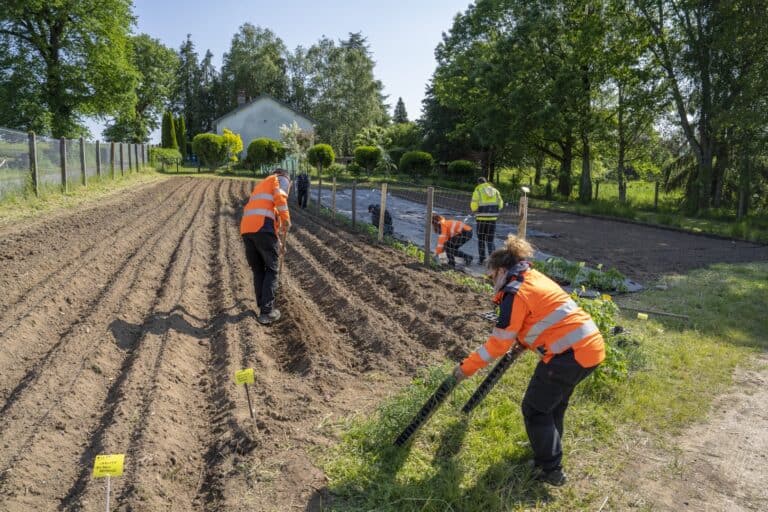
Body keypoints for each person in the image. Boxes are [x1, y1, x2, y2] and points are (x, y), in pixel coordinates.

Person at [453, 235, 604, 486]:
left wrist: (464, 370)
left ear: (502, 270)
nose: (491, 282)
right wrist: (523, 342)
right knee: (553, 405)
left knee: (535, 408)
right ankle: (549, 453)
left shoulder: (515, 292)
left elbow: (498, 344)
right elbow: (540, 318)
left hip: (570, 356)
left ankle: (551, 470)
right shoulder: (531, 278)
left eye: (491, 277)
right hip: (589, 348)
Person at [240, 168, 292, 325]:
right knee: (271, 269)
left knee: (258, 269)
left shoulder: (262, 186)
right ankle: (267, 311)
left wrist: (279, 243)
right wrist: (287, 219)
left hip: (247, 230)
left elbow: (269, 219)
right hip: (262, 228)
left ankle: (262, 305)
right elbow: (280, 198)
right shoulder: (277, 179)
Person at [471, 177, 504, 265]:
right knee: (490, 240)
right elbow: (500, 205)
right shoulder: (496, 191)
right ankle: (493, 260)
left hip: (481, 220)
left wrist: (477, 209)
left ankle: (482, 259)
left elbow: (473, 207)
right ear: (486, 182)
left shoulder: (477, 192)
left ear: (478, 183)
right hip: (492, 220)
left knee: (481, 240)